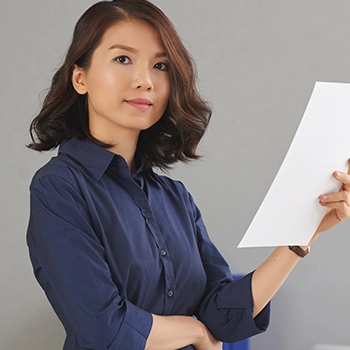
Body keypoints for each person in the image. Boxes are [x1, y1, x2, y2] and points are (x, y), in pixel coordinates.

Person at [26, 1, 350, 349]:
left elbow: (223, 317)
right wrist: (194, 331)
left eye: (160, 65)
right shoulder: (59, 187)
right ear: (80, 77)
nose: (144, 80)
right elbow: (104, 329)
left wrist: (303, 233)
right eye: (123, 59)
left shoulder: (174, 197)